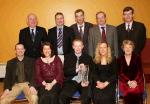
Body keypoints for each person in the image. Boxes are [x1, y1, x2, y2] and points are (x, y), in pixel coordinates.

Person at [59, 38, 93, 104]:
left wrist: (88, 81)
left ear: (83, 46)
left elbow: (91, 72)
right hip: (71, 81)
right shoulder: (68, 57)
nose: (78, 48)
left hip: (83, 82)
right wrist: (77, 69)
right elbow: (65, 72)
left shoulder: (88, 58)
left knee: (86, 97)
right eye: (76, 46)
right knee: (62, 96)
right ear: (73, 47)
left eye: (79, 46)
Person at [117, 40, 144, 104]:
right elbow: (120, 73)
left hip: (137, 82)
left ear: (132, 49)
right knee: (130, 91)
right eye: (126, 47)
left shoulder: (137, 58)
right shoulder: (119, 59)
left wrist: (135, 81)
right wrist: (128, 82)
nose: (128, 49)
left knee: (135, 90)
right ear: (123, 49)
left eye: (130, 47)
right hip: (124, 82)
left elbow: (140, 72)